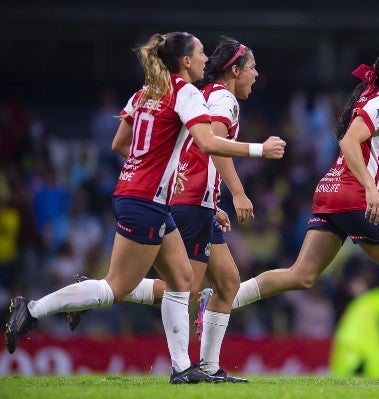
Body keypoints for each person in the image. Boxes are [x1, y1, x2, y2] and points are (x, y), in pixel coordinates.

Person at [3, 31, 285, 384]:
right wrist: (261, 149)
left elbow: (120, 143)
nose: (204, 60)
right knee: (116, 288)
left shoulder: (145, 93)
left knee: (182, 279)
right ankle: (31, 310)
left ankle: (184, 368)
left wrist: (166, 174)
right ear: (184, 61)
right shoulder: (186, 93)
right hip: (147, 201)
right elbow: (209, 143)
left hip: (143, 195)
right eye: (199, 53)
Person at [230, 44, 379, 380]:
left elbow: (367, 151)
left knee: (302, 275)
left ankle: (226, 298)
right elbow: (348, 143)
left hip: (329, 193)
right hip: (353, 197)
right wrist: (372, 188)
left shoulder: (375, 100)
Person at [67, 36, 267, 383]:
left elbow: (190, 150)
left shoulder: (204, 96)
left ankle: (209, 368)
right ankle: (95, 292)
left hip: (198, 201)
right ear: (235, 70)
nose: (257, 74)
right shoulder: (224, 99)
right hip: (191, 202)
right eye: (252, 67)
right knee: (183, 287)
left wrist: (212, 200)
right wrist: (237, 193)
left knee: (227, 282)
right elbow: (213, 147)